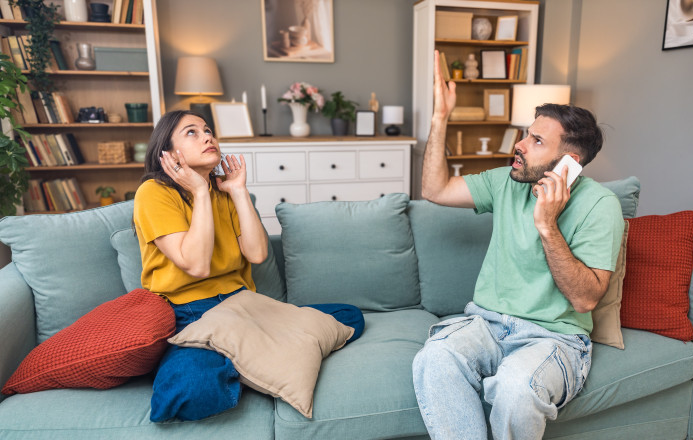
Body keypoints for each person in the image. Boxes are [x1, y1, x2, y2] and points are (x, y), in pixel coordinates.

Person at [412, 51, 625, 440]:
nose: (520, 144)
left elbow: (585, 300)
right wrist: (440, 117)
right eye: (527, 133)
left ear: (568, 163)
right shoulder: (507, 182)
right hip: (487, 325)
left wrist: (547, 226)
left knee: (515, 387)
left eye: (536, 140)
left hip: (554, 339)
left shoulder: (600, 206)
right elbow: (434, 189)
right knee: (435, 359)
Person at [133, 110, 364, 422]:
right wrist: (200, 192)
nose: (207, 136)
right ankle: (260, 362)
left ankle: (250, 361)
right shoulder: (154, 193)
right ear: (169, 152)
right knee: (191, 393)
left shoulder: (224, 192)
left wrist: (239, 190)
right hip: (191, 315)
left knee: (349, 316)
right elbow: (197, 265)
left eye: (207, 129)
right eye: (192, 132)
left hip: (244, 307)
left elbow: (256, 254)